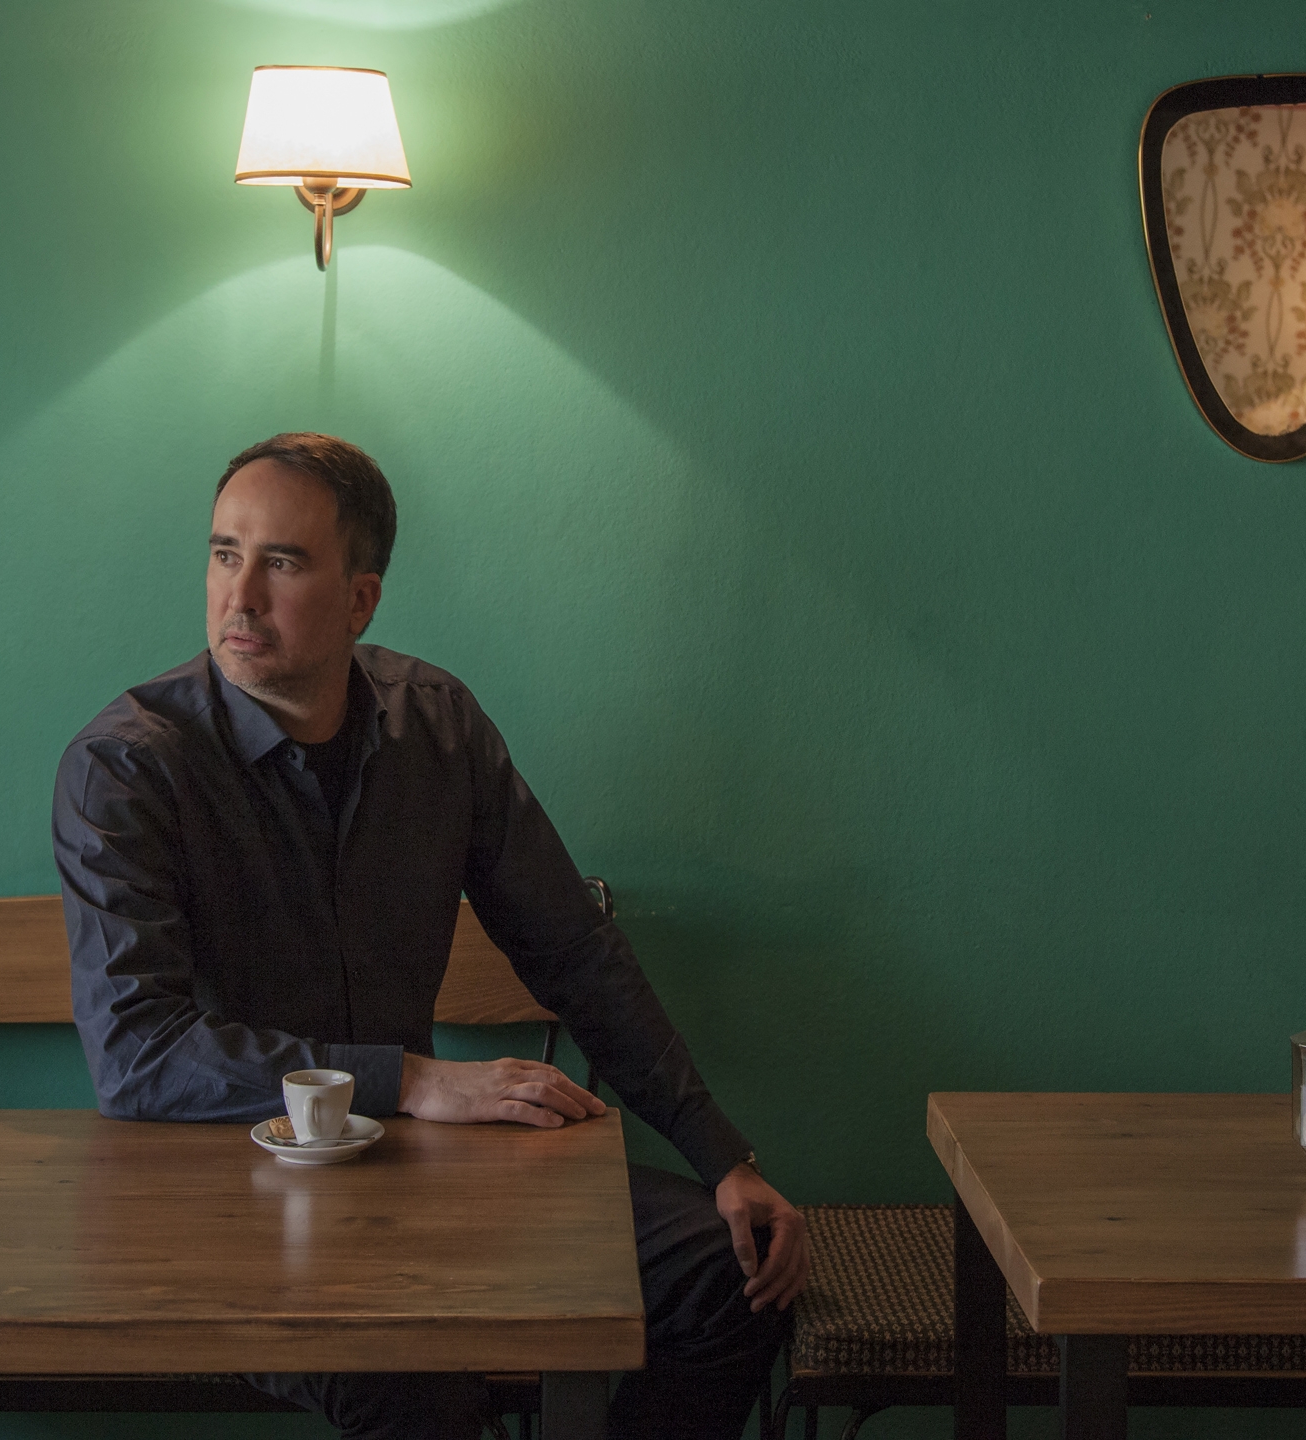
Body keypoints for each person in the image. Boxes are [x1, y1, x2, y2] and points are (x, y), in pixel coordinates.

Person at [53, 432, 810, 1440]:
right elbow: (136, 1053)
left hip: (416, 1176)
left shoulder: (438, 727)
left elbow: (573, 953)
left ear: (361, 600)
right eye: (225, 553)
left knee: (734, 1275)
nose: (241, 597)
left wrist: (723, 1158)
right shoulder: (127, 768)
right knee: (420, 1383)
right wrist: (410, 1079)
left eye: (283, 562)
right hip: (228, 1198)